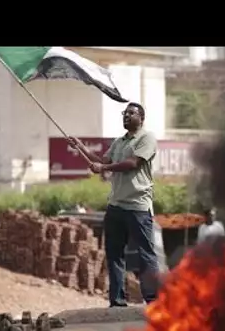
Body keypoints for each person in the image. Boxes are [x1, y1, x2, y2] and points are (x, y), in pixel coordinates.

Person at [67, 102, 159, 307]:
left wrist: (104, 167)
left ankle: (152, 300)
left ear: (141, 118)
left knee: (146, 254)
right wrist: (81, 147)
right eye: (124, 113)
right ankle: (117, 300)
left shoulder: (147, 138)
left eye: (131, 113)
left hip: (138, 207)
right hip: (116, 206)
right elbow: (101, 159)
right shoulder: (119, 142)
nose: (126, 116)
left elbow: (133, 163)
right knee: (114, 254)